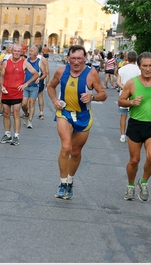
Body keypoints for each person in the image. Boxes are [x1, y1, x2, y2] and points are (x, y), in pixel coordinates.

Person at [47, 45, 108, 200]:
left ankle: (70, 180)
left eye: (79, 58)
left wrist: (92, 97)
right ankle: (62, 183)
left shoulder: (91, 74)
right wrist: (54, 100)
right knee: (66, 147)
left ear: (85, 59)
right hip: (64, 113)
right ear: (68, 58)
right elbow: (50, 87)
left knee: (75, 152)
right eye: (73, 58)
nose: (76, 62)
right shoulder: (61, 71)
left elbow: (103, 94)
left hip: (83, 116)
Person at [118, 51, 151, 202]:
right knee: (134, 160)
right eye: (144, 66)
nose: (148, 69)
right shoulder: (132, 83)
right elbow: (121, 101)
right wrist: (131, 102)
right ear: (139, 66)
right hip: (135, 124)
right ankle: (131, 185)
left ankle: (144, 181)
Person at [0, 44, 39, 146]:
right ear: (12, 51)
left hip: (17, 92)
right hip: (6, 92)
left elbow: (36, 74)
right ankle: (7, 134)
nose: (16, 53)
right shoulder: (6, 63)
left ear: (21, 53)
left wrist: (26, 84)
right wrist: (2, 86)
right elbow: (1, 77)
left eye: (18, 51)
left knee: (16, 113)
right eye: (14, 51)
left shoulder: (24, 63)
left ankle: (16, 136)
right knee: (6, 113)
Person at [116, 50, 141, 143]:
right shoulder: (139, 69)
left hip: (124, 95)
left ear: (127, 58)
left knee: (123, 116)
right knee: (137, 116)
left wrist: (124, 89)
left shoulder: (122, 69)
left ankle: (122, 135)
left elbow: (117, 82)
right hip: (137, 94)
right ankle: (136, 135)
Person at [21, 46, 48, 128]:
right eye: (30, 51)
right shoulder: (26, 61)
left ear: (36, 53)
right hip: (25, 85)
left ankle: (30, 121)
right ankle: (26, 113)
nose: (30, 52)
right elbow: (22, 71)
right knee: (23, 104)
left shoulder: (40, 62)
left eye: (32, 51)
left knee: (32, 103)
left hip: (35, 86)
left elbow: (45, 73)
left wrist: (39, 79)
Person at [36, 44, 49, 120]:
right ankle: (41, 113)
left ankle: (26, 111)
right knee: (40, 96)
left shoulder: (31, 58)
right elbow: (47, 71)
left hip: (32, 79)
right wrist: (47, 82)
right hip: (41, 79)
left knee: (30, 97)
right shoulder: (43, 59)